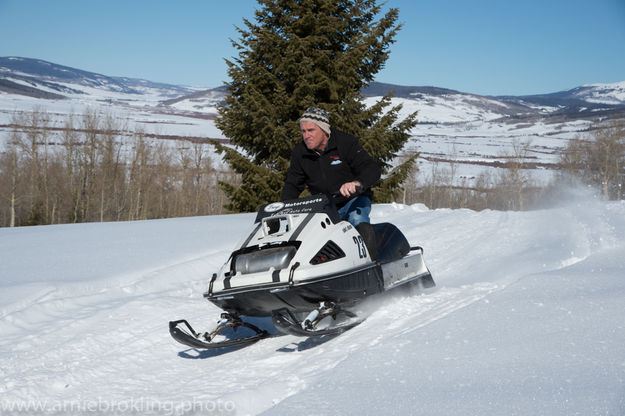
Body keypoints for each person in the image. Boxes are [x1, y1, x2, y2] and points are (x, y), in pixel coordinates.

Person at [281, 106, 381, 228]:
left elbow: (372, 168)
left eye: (311, 130)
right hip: (325, 206)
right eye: (303, 131)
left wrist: (357, 183)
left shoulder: (345, 142)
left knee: (357, 219)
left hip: (354, 200)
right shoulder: (300, 152)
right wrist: (284, 209)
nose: (306, 136)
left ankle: (367, 245)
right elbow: (293, 185)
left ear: (324, 130)